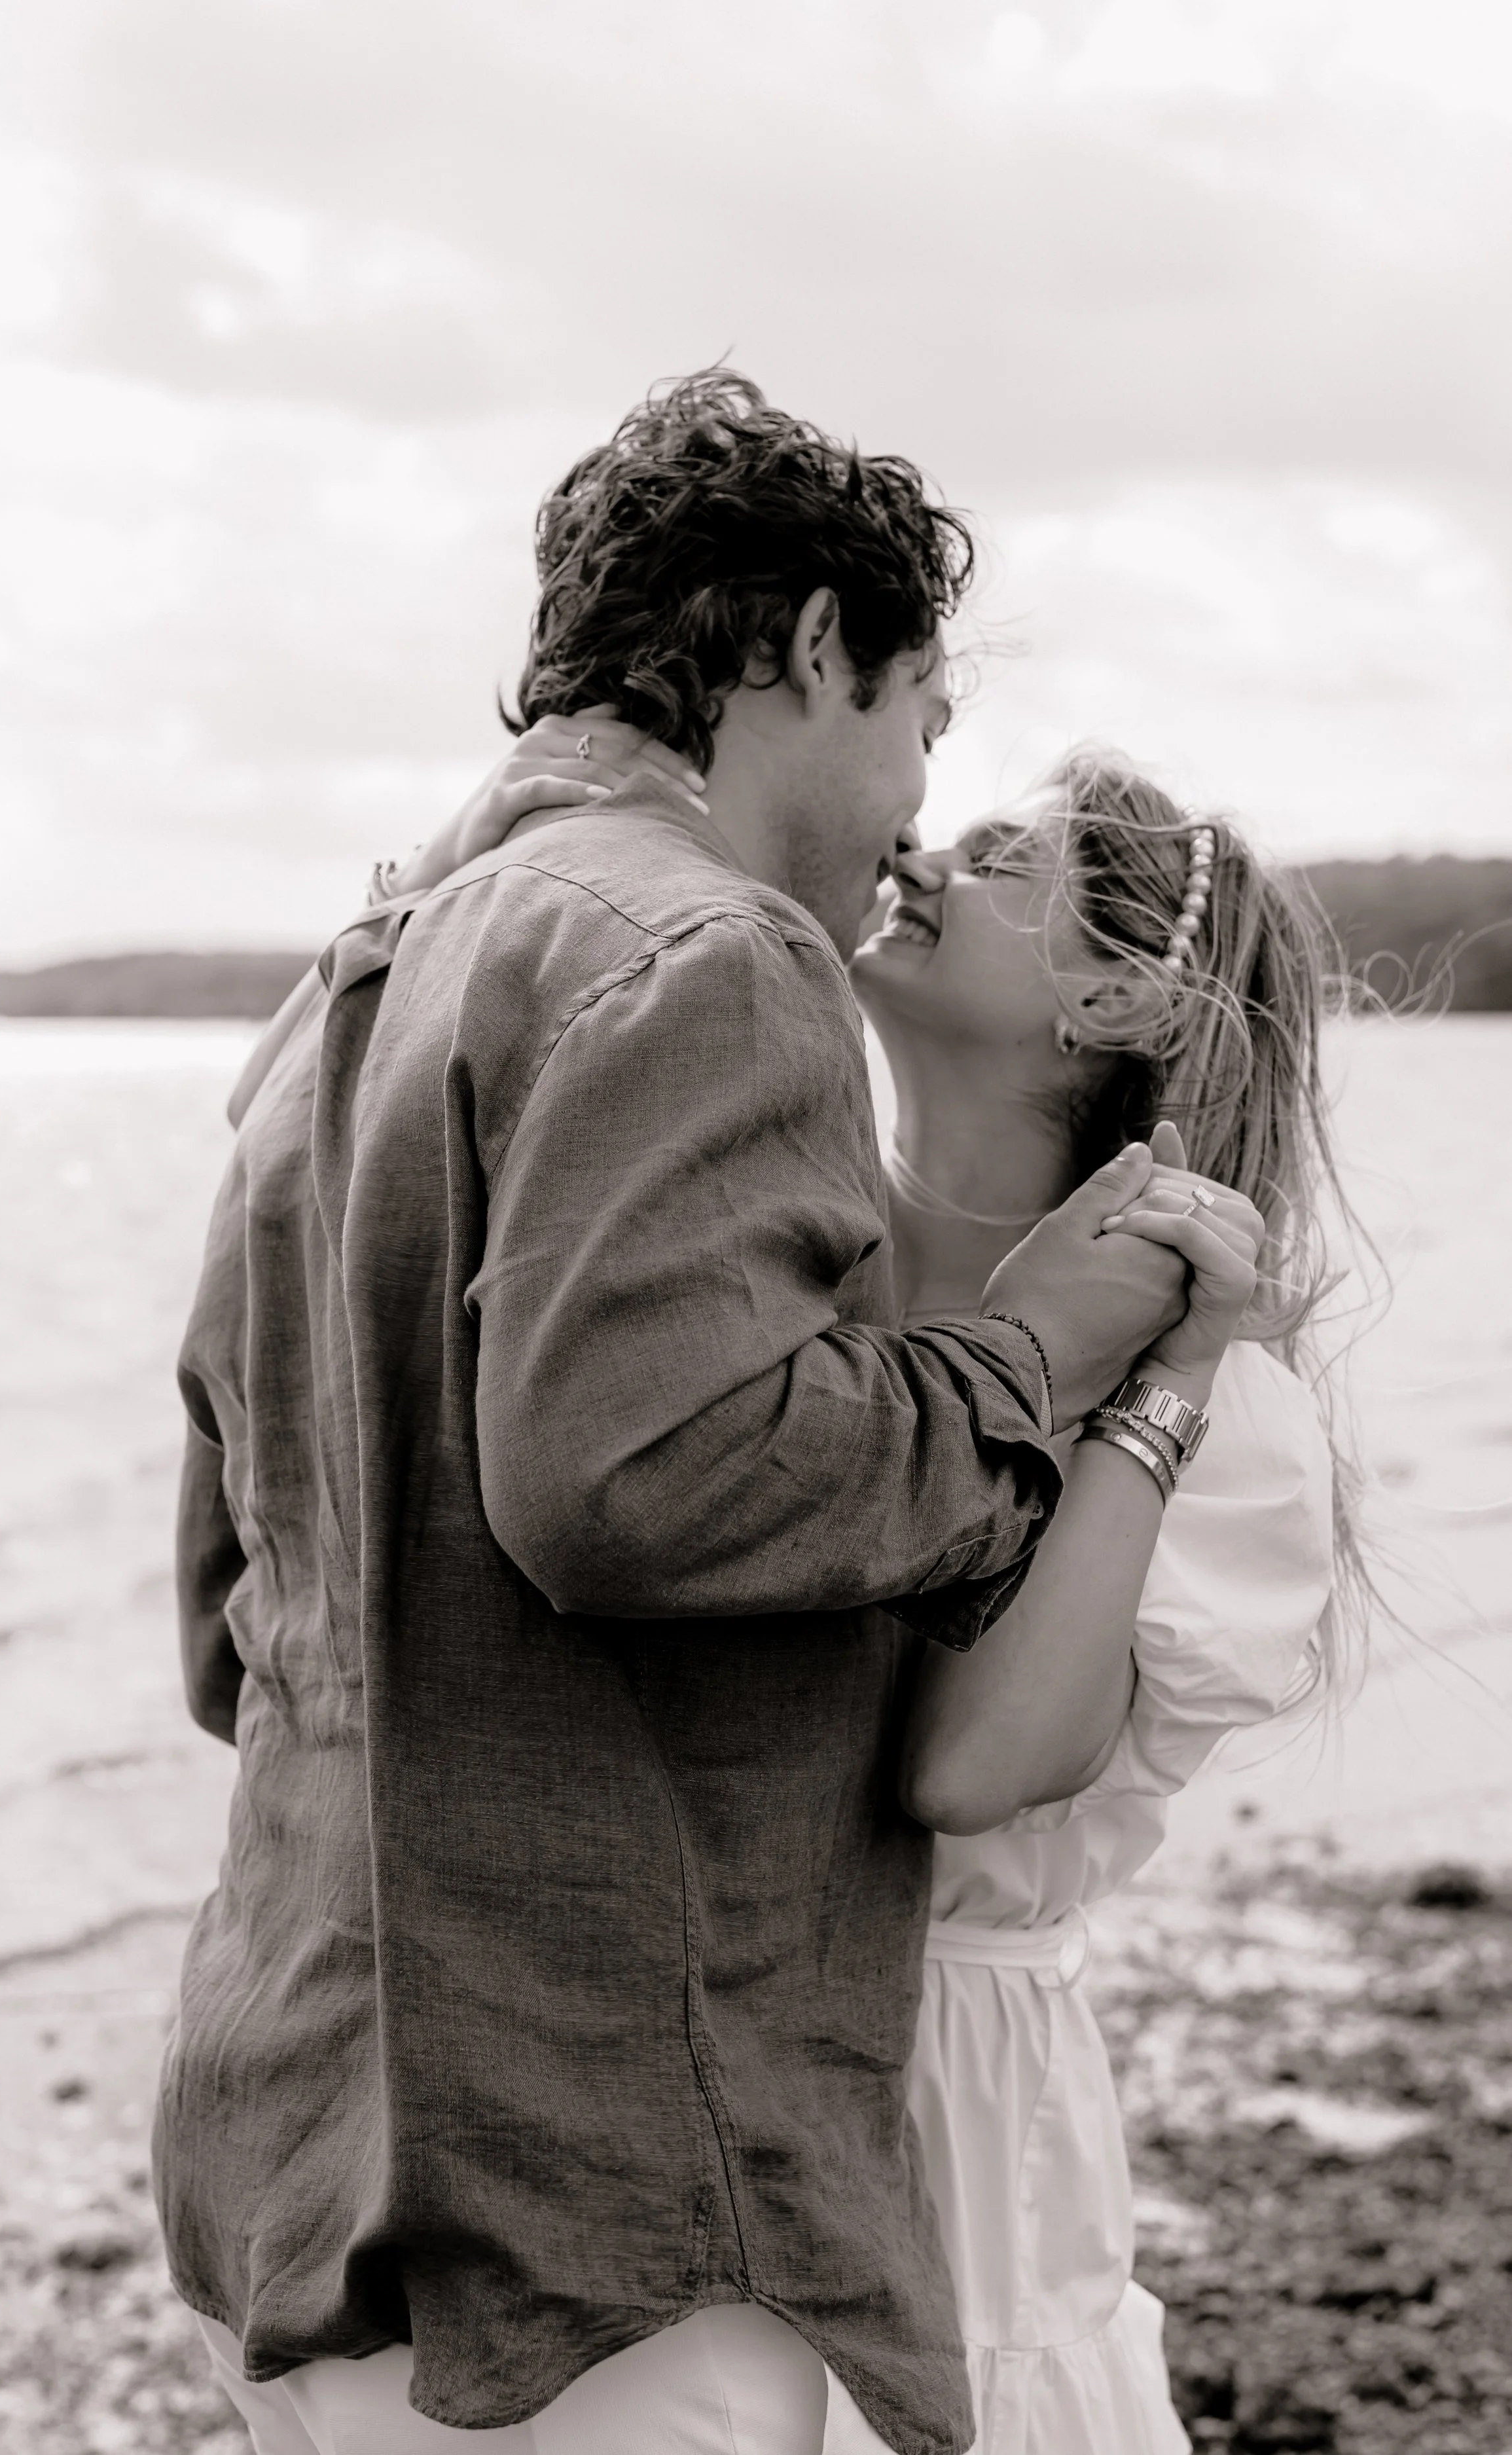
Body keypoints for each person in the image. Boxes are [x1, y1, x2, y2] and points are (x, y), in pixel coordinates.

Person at [159, 373, 1196, 2455]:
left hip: (291, 2148)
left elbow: (219, 1615)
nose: (914, 795)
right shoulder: (712, 950)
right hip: (605, 2213)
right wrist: (1045, 1356)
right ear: (814, 643)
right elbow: (640, 1478)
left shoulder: (342, 991)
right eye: (918, 718)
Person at [855, 752, 1347, 2452]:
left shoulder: (1228, 1422)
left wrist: (1165, 1379)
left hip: (943, 2111)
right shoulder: (769, 1268)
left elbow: (967, 1768)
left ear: (1115, 994)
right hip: (675, 2034)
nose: (915, 852)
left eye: (1000, 860)